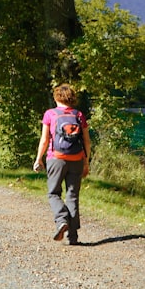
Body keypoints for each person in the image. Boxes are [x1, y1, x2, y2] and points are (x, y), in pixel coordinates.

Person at [33, 83, 91, 245]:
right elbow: (87, 141)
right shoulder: (79, 115)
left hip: (56, 158)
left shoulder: (50, 114)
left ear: (56, 97)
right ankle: (72, 237)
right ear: (72, 97)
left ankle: (61, 220)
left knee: (53, 193)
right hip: (77, 159)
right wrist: (85, 162)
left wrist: (39, 159)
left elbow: (45, 140)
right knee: (72, 196)